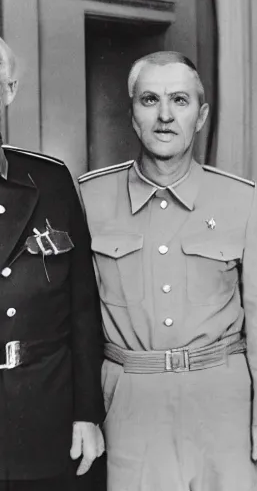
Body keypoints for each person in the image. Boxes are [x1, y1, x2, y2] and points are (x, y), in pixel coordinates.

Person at [78, 51, 257, 491]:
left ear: (201, 115)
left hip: (222, 400)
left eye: (179, 100)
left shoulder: (239, 200)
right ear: (132, 113)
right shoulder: (88, 198)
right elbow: (73, 318)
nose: (164, 115)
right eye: (149, 100)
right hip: (129, 402)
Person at [0, 37, 105, 489]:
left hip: (41, 412)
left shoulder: (49, 179)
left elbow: (82, 308)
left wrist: (87, 413)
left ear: (9, 89)